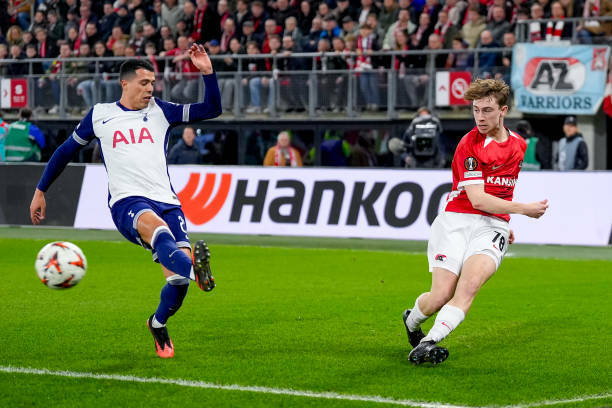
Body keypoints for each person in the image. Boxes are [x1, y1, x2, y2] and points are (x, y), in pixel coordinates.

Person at [29, 45, 222, 359]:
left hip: (168, 202)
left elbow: (212, 109)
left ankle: (157, 323)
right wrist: (41, 190)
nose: (150, 88)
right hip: (127, 202)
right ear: (125, 83)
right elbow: (65, 151)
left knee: (177, 282)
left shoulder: (162, 111)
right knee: (159, 233)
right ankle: (198, 273)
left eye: (153, 83)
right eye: (144, 83)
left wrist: (208, 73)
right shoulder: (101, 114)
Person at [402, 78, 548, 365]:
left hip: (492, 227)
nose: (480, 117)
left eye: (487, 110)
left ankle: (428, 343)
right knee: (440, 295)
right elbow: (478, 200)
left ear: (503, 111)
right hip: (456, 220)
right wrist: (523, 210)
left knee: (469, 287)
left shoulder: (518, 145)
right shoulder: (469, 144)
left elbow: (502, 190)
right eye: (476, 110)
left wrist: (504, 222)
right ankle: (412, 320)